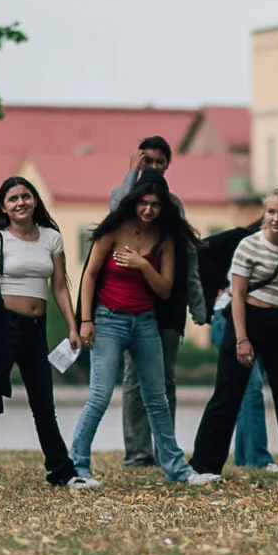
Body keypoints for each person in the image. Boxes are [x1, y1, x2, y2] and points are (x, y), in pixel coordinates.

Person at [69, 170, 219, 488]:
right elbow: (90, 275)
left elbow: (164, 289)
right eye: (143, 203)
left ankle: (176, 469)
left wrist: (143, 265)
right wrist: (86, 320)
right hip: (108, 319)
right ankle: (78, 467)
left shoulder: (165, 239)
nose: (148, 210)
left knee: (157, 397)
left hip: (145, 321)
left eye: (155, 204)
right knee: (100, 395)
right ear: (133, 201)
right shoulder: (112, 230)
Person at [189, 188, 278, 478]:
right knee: (228, 394)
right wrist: (241, 339)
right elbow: (237, 295)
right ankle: (204, 465)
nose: (276, 218)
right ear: (264, 214)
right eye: (271, 212)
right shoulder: (248, 246)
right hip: (245, 320)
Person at [0, 177, 79, 488]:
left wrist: (73, 326)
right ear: (4, 207)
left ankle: (62, 473)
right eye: (13, 199)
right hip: (4, 325)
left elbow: (61, 287)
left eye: (26, 196)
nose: (21, 202)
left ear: (34, 200)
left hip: (36, 330)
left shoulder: (52, 237)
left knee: (43, 404)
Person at [107, 136, 208, 470]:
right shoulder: (126, 198)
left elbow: (188, 254)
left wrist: (197, 303)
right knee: (135, 379)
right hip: (133, 302)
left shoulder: (173, 205)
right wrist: (130, 174)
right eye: (146, 161)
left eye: (159, 162)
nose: (153, 168)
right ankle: (137, 452)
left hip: (168, 303)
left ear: (167, 165)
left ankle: (166, 448)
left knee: (165, 380)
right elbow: (116, 211)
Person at [199, 218, 274, 471]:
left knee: (245, 389)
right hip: (226, 318)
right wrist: (219, 287)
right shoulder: (241, 238)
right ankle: (259, 459)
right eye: (273, 214)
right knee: (251, 387)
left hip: (257, 321)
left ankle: (246, 457)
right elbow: (201, 250)